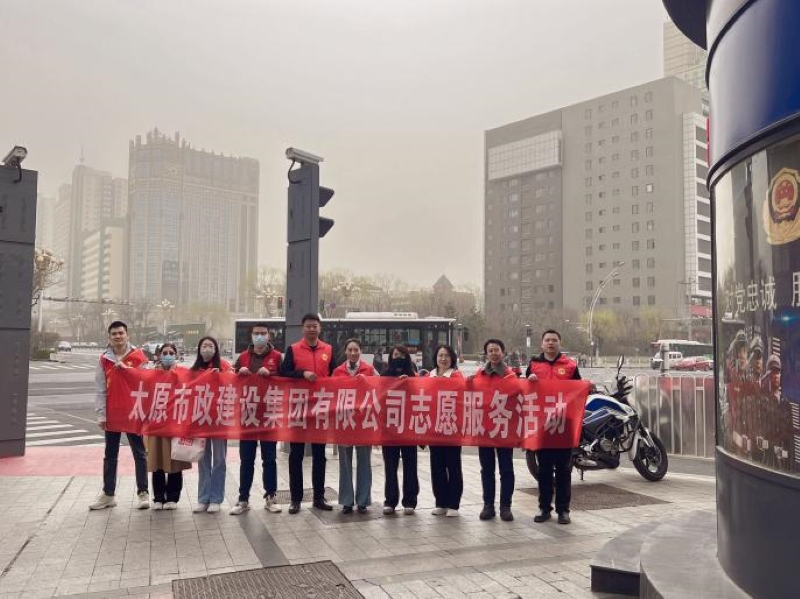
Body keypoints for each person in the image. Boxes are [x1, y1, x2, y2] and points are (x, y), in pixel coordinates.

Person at [90, 321, 151, 510]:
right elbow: (100, 388)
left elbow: (147, 381)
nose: (118, 336)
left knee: (139, 453)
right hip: (113, 413)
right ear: (109, 337)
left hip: (134, 412)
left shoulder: (139, 357)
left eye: (121, 333)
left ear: (127, 335)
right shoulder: (104, 360)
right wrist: (101, 415)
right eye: (114, 334)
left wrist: (127, 369)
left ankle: (143, 492)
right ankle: (108, 494)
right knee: (110, 454)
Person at [280, 313, 334, 514]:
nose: (312, 329)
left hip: (321, 407)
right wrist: (302, 374)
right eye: (308, 326)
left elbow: (336, 375)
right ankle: (295, 499)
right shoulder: (293, 349)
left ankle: (319, 497)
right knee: (296, 455)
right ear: (303, 328)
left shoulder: (328, 349)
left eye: (315, 326)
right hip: (299, 408)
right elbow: (284, 372)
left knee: (320, 455)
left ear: (320, 328)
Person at [526, 329, 581, 525]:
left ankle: (563, 510)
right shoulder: (534, 365)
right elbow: (526, 392)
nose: (550, 343)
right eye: (547, 340)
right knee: (544, 470)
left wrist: (587, 387)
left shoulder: (570, 366)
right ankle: (544, 508)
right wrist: (529, 380)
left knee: (564, 470)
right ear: (542, 344)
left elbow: (579, 390)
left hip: (564, 424)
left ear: (560, 343)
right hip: (543, 425)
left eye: (554, 340)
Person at [230, 325, 284, 516]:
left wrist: (272, 375)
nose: (259, 336)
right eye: (256, 333)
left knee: (269, 459)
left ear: (269, 336)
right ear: (251, 336)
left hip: (269, 415)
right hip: (248, 415)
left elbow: (287, 381)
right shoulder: (243, 357)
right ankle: (243, 499)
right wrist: (239, 372)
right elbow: (230, 381)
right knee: (246, 459)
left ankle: (271, 497)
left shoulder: (277, 357)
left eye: (263, 333)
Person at [472, 338, 517, 522]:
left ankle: (505, 506)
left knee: (506, 469)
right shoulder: (479, 375)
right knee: (487, 469)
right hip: (484, 430)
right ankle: (488, 506)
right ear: (486, 354)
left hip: (504, 429)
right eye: (490, 351)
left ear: (503, 352)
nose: (493, 353)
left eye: (496, 350)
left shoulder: (511, 376)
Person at [332, 338, 376, 514]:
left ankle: (363, 500)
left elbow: (379, 389)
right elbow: (331, 394)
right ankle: (347, 501)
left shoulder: (369, 370)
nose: (353, 353)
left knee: (364, 461)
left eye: (356, 350)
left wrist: (367, 381)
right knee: (345, 462)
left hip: (364, 422)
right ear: (345, 351)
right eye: (350, 350)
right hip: (344, 422)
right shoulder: (337, 371)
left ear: (361, 351)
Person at [190, 336, 232, 514]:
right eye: (204, 345)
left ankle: (216, 498)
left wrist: (221, 377)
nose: (207, 348)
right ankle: (203, 498)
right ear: (199, 349)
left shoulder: (224, 366)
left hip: (220, 420)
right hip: (201, 420)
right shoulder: (194, 369)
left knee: (219, 460)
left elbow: (234, 385)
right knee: (203, 459)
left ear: (216, 349)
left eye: (210, 346)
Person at [147, 343, 191, 510]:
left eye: (171, 353)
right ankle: (158, 497)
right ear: (159, 355)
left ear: (176, 355)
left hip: (175, 423)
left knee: (175, 460)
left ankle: (173, 497)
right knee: (157, 460)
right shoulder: (152, 374)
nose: (168, 355)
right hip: (156, 424)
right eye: (164, 352)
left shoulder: (183, 372)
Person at [381, 345, 420, 515]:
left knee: (410, 465)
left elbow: (421, 398)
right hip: (389, 428)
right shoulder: (384, 376)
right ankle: (390, 500)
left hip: (408, 427)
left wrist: (408, 383)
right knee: (390, 466)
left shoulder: (414, 377)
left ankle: (410, 501)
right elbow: (379, 398)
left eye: (402, 355)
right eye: (395, 354)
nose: (398, 358)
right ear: (390, 357)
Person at [427, 344, 464, 517]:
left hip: (452, 429)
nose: (443, 359)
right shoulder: (428, 376)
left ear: (452, 359)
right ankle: (440, 502)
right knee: (437, 467)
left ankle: (453, 504)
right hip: (434, 430)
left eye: (447, 356)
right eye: (440, 355)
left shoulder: (457, 376)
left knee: (453, 466)